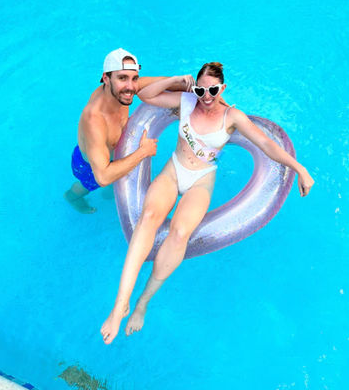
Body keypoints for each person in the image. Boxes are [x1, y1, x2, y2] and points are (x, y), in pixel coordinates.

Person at [100, 62, 315, 344]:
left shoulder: (232, 116)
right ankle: (120, 305)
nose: (207, 95)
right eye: (201, 88)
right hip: (175, 169)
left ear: (222, 88)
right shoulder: (188, 100)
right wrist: (177, 80)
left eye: (213, 89)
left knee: (179, 233)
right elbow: (146, 96)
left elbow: (267, 145)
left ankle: (142, 303)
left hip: (201, 177)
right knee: (149, 216)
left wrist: (300, 169)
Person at [64, 48, 170, 214]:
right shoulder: (95, 119)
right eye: (122, 78)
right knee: (85, 187)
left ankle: (110, 194)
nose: (131, 86)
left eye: (134, 78)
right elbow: (103, 177)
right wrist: (143, 152)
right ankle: (72, 198)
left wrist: (191, 87)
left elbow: (165, 82)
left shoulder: (122, 90)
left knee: (114, 183)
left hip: (111, 153)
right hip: (91, 166)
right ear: (106, 78)